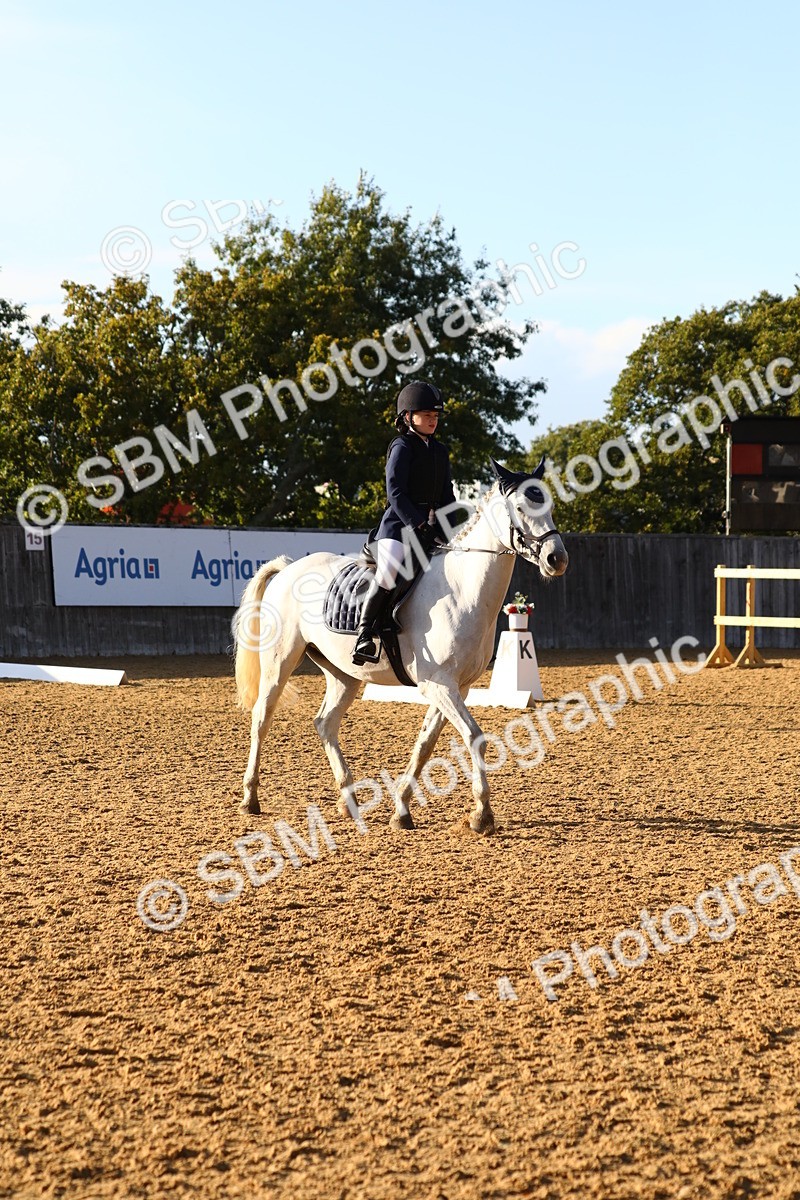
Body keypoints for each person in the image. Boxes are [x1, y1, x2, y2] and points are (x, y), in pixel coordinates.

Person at [352, 380, 458, 664]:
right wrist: (419, 524)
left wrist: (452, 529)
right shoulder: (402, 446)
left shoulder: (440, 451)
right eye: (427, 415)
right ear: (408, 417)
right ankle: (364, 635)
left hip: (431, 528)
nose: (433, 420)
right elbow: (395, 492)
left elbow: (448, 494)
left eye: (435, 416)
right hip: (399, 526)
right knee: (388, 572)